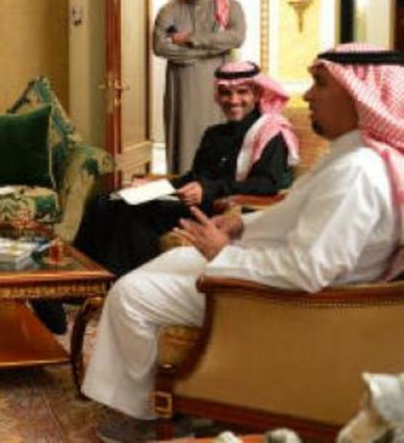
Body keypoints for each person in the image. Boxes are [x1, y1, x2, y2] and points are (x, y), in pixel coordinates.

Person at [82, 44, 402, 438]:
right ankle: (154, 394)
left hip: (285, 301)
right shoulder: (353, 157)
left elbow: (307, 270)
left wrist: (222, 254)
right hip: (271, 273)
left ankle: (143, 416)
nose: (306, 95)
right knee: (159, 257)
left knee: (131, 295)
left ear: (358, 95)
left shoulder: (357, 172)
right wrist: (241, 227)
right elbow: (296, 214)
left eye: (320, 84)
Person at [75, 60, 298, 276]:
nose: (233, 100)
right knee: (104, 200)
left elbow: (266, 184)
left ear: (257, 94)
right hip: (186, 201)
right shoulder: (214, 134)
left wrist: (208, 190)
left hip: (219, 210)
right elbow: (193, 177)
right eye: (225, 93)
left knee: (128, 213)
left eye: (242, 92)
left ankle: (115, 282)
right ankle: (81, 279)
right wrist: (154, 186)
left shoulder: (271, 132)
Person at [154, 0, 246, 174]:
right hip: (182, 86)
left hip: (219, 85)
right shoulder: (169, 10)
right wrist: (212, 49)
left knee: (218, 134)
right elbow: (160, 46)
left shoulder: (230, 7)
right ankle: (185, 184)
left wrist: (190, 38)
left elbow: (236, 37)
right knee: (185, 138)